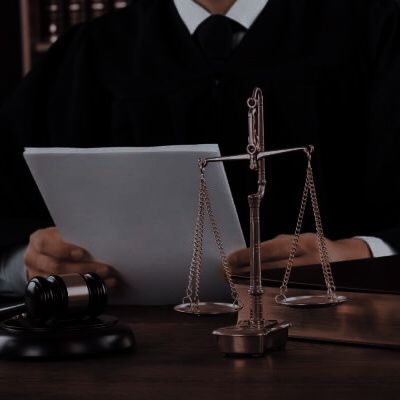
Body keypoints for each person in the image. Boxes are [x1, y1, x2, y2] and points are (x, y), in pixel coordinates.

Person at [0, 0, 399, 296]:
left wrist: (363, 253)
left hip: (334, 344)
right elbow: (12, 218)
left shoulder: (377, 32)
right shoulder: (87, 53)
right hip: (125, 357)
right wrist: (29, 262)